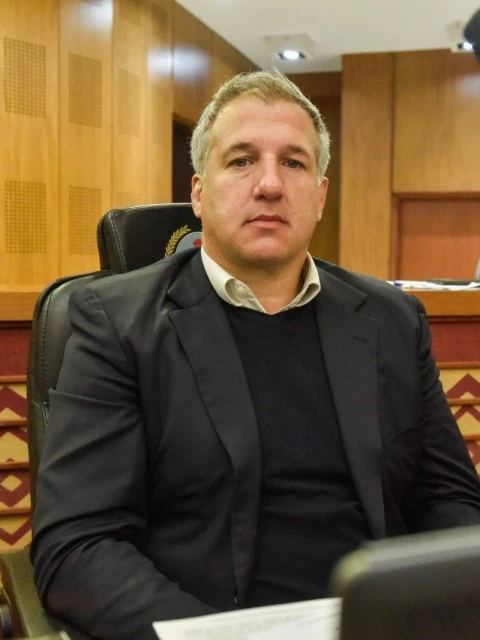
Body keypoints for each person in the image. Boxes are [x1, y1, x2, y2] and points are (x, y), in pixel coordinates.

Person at [31, 70, 480, 640]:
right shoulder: (114, 324)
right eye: (241, 160)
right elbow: (78, 546)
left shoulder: (393, 319)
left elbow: (449, 500)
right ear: (199, 193)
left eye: (293, 162)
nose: (269, 184)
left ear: (320, 196)